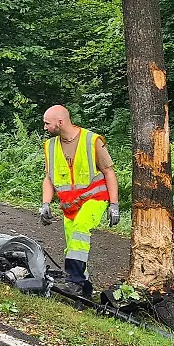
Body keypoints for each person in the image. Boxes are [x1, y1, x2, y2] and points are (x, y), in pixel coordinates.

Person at [38, 105, 119, 297]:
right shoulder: (50, 146)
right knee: (74, 246)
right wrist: (45, 203)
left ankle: (74, 281)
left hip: (95, 198)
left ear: (60, 122)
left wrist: (114, 205)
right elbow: (49, 178)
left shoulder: (92, 140)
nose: (45, 127)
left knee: (81, 231)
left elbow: (109, 172)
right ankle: (85, 288)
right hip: (70, 205)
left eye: (47, 123)